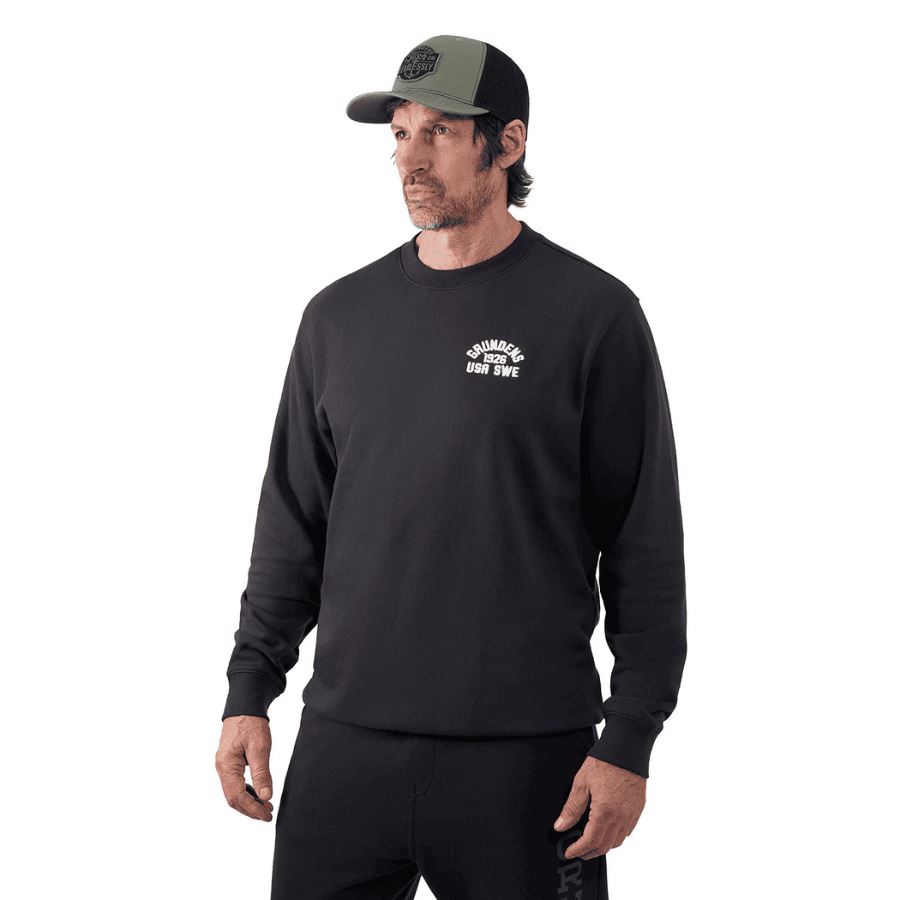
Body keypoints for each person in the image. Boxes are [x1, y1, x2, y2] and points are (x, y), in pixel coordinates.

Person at [215, 34, 687, 900]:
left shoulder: (594, 316)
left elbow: (643, 546)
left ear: (508, 143)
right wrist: (250, 688)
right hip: (345, 746)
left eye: (439, 131)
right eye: (400, 133)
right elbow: (292, 526)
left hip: (527, 762)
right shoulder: (337, 318)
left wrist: (630, 740)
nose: (410, 159)